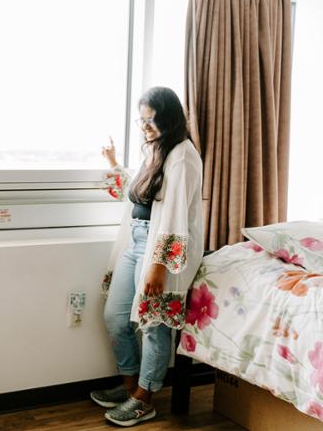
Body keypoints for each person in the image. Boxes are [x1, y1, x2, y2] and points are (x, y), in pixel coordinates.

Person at [91, 87, 204, 427]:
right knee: (115, 316)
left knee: (154, 326)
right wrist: (114, 165)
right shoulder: (157, 150)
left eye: (151, 120)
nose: (145, 127)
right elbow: (141, 195)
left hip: (163, 248)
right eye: (141, 121)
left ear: (168, 117)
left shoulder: (183, 154)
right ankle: (130, 387)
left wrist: (158, 265)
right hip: (138, 240)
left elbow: (173, 214)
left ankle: (144, 398)